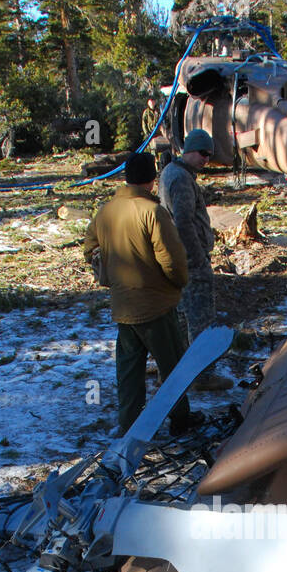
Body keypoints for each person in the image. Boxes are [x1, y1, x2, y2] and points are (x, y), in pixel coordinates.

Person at [82, 152, 191, 436]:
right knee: (172, 368)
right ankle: (180, 419)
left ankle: (129, 425)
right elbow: (172, 259)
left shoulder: (105, 211)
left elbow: (89, 250)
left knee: (129, 371)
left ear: (127, 177)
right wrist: (179, 282)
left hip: (123, 306)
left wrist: (109, 276)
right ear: (152, 181)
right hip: (156, 305)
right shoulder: (152, 212)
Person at [158, 129, 216, 341]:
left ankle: (183, 369)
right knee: (202, 325)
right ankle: (203, 372)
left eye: (209, 154)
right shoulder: (181, 179)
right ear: (189, 150)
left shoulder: (172, 171)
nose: (206, 159)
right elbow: (184, 223)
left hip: (178, 259)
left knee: (182, 323)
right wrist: (199, 259)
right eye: (202, 153)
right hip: (190, 263)